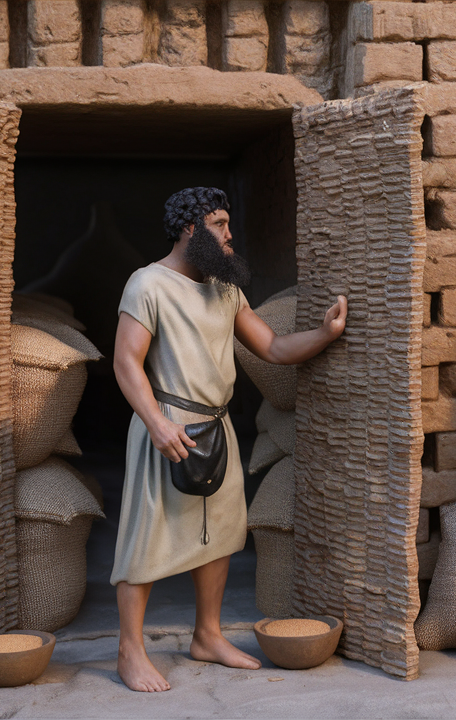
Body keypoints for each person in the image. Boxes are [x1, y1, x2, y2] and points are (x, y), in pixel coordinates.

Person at [110, 187, 347, 692]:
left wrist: (325, 334)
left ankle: (208, 636)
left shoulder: (225, 289)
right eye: (219, 224)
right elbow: (126, 361)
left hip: (215, 428)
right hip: (168, 427)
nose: (230, 233)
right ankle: (130, 650)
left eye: (228, 223)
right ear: (191, 230)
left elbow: (276, 348)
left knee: (220, 534)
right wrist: (155, 422)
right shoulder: (147, 283)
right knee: (144, 536)